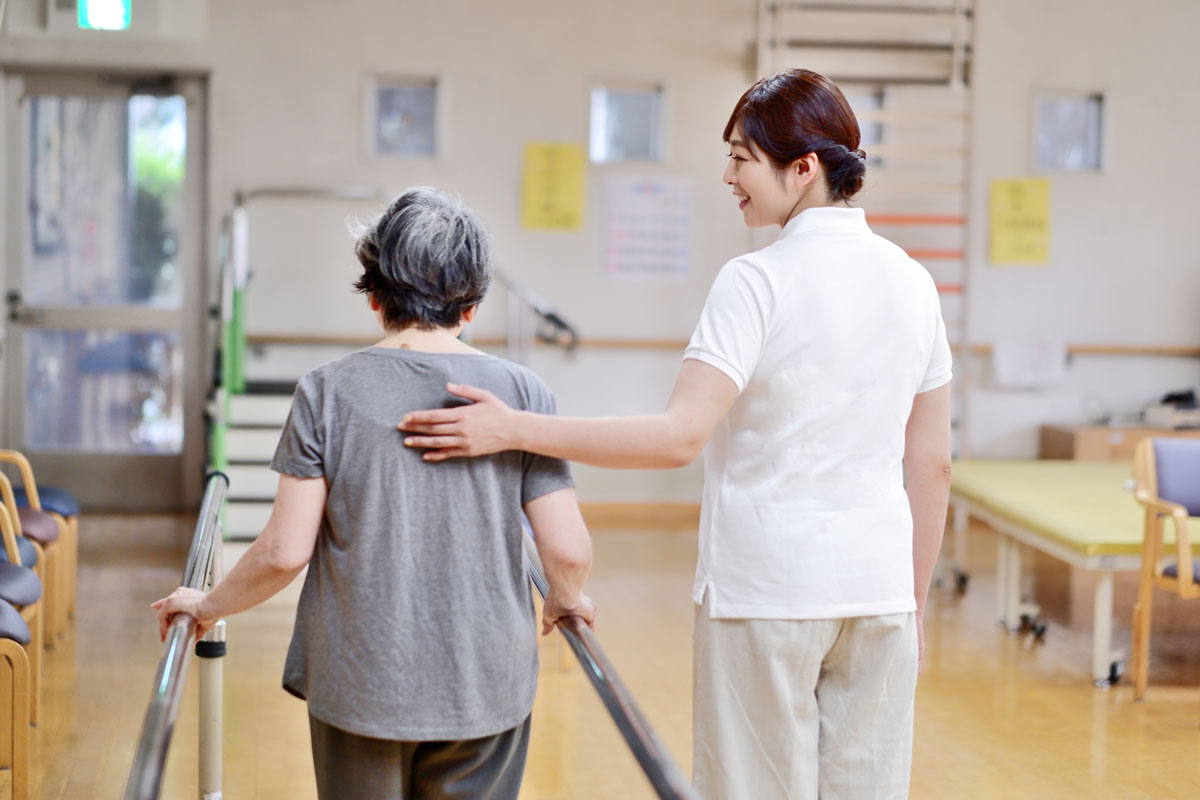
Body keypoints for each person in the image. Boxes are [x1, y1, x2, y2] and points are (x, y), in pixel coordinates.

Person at [398, 70, 952, 799]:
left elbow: (675, 438)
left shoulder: (756, 281)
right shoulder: (915, 284)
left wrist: (512, 428)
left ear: (804, 168)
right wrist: (911, 602)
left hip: (766, 593)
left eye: (742, 158)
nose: (728, 176)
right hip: (878, 591)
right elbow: (933, 463)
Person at [153, 187, 596, 800]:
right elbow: (566, 551)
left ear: (376, 296)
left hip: (361, 679)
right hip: (484, 680)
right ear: (471, 308)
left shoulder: (325, 392)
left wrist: (207, 604)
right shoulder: (522, 391)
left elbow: (284, 551)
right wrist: (564, 599)